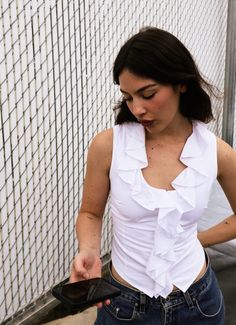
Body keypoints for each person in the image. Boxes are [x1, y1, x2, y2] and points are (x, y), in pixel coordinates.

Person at [70, 27, 236, 324]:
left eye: (148, 94)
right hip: (124, 306)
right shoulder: (108, 146)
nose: (137, 109)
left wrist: (197, 239)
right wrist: (89, 250)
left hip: (199, 304)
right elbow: (90, 213)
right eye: (128, 97)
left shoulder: (217, 152)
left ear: (181, 84)